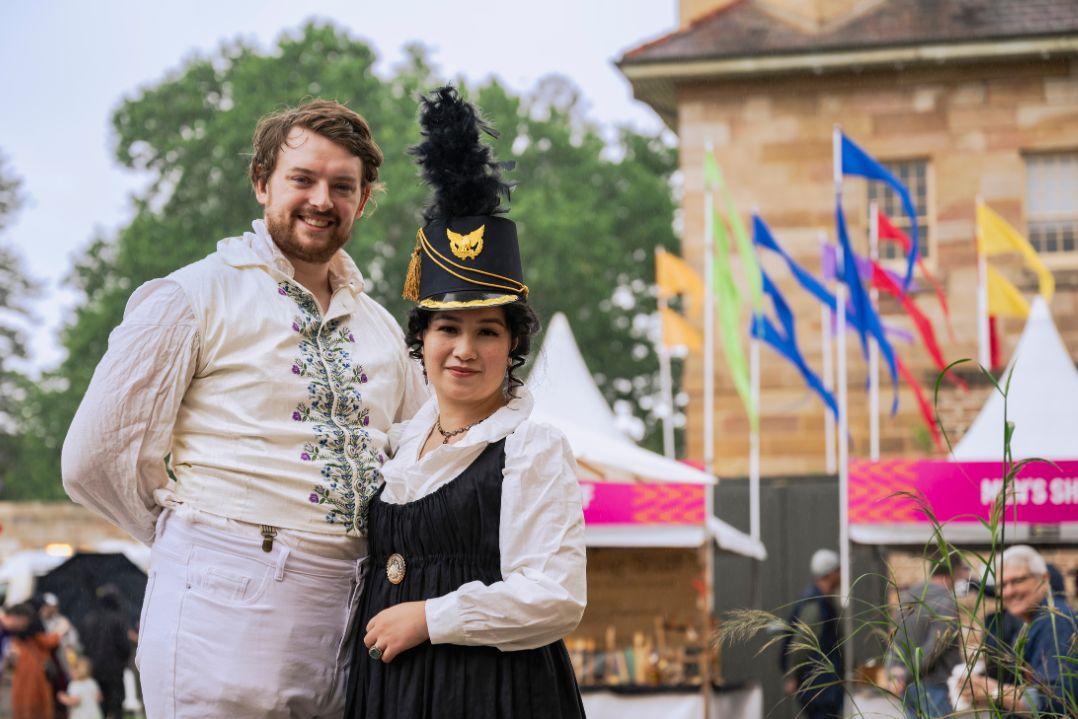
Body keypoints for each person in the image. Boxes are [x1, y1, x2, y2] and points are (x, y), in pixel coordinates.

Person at [61, 98, 426, 717]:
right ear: (262, 184)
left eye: (342, 186)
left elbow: (418, 457)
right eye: (301, 179)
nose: (321, 199)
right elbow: (94, 457)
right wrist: (198, 536)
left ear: (363, 201)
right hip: (220, 605)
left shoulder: (383, 329)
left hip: (353, 613)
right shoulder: (193, 296)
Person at [344, 86, 587, 718]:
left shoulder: (531, 449)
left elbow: (557, 596)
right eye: (447, 329)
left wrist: (432, 617)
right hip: (393, 694)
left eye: (487, 332)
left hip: (493, 695)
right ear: (420, 340)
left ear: (513, 347)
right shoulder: (398, 446)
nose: (464, 350)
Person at [962, 545, 1077, 716]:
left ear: (1044, 579)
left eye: (1017, 581)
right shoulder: (1032, 623)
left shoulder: (1054, 622)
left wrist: (994, 691)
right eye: (1002, 585)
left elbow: (1056, 703)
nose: (1009, 591)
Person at [885, 549, 965, 718]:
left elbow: (894, 640)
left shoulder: (907, 597)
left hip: (907, 688)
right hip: (933, 687)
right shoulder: (945, 602)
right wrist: (906, 674)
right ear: (955, 570)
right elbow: (932, 650)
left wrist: (893, 673)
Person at [779, 549, 844, 719]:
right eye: (839, 570)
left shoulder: (823, 600)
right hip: (819, 688)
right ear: (830, 573)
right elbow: (802, 642)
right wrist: (793, 676)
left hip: (822, 687)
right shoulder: (815, 604)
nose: (842, 574)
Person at [80, 586, 130, 719]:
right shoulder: (118, 619)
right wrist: (123, 661)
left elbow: (83, 644)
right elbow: (125, 647)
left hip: (94, 669)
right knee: (116, 706)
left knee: (99, 704)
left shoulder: (88, 619)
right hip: (114, 670)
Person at [7, 602, 63, 719]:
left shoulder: (21, 639)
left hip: (28, 683)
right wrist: (61, 631)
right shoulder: (30, 637)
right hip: (34, 682)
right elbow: (51, 642)